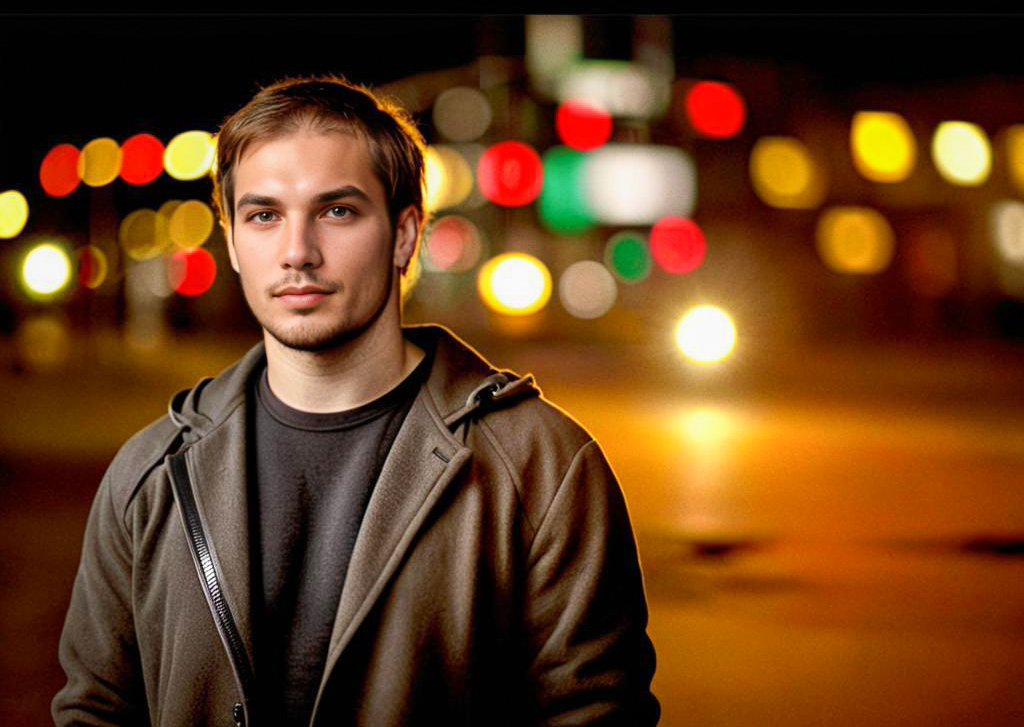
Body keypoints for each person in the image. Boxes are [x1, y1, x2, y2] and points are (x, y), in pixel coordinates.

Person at [52, 75, 660, 726]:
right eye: (264, 215)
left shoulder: (543, 467)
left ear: (404, 235)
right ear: (232, 243)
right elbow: (96, 707)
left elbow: (596, 712)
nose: (297, 253)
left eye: (337, 211)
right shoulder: (150, 472)